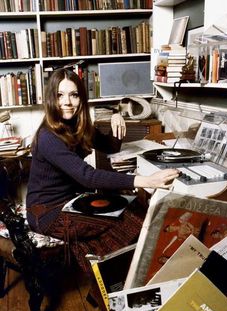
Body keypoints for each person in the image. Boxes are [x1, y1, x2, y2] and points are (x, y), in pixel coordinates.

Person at [26, 68, 180, 274]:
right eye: (60, 95)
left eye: (74, 95)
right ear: (51, 99)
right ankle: (111, 277)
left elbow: (110, 147)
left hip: (72, 202)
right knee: (129, 221)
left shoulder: (79, 126)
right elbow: (88, 176)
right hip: (47, 214)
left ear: (81, 98)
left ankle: (107, 277)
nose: (67, 102)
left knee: (135, 212)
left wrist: (117, 119)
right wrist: (147, 181)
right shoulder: (47, 137)